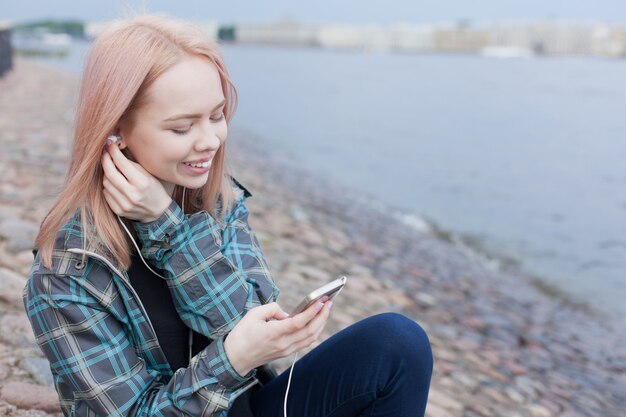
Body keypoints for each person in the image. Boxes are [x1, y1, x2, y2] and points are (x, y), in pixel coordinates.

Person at [23, 14, 433, 417]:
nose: (209, 141)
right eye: (182, 127)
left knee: (397, 342)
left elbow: (252, 319)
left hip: (252, 406)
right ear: (117, 131)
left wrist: (169, 227)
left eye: (216, 116)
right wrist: (232, 360)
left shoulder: (219, 201)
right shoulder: (66, 273)